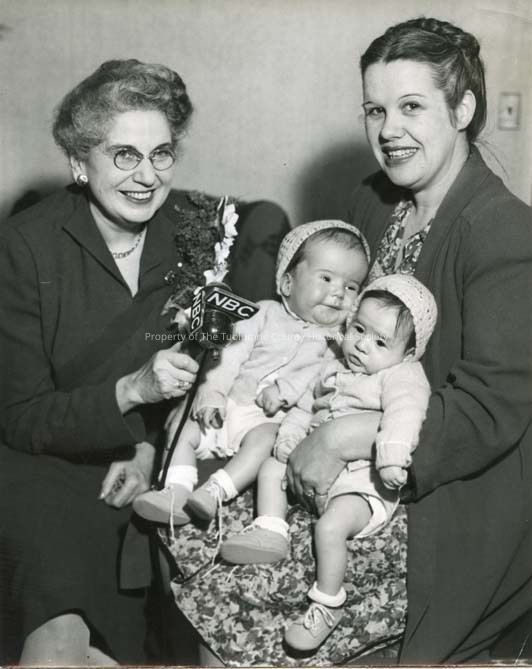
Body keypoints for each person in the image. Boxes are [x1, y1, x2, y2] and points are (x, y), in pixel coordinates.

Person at [285, 17, 532, 663]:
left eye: (412, 107)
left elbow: (487, 411)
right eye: (376, 110)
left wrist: (339, 437)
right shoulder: (372, 202)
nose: (389, 129)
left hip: (451, 492)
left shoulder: (505, 232)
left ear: (463, 109)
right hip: (349, 458)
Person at [0, 58, 220, 666]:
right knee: (59, 633)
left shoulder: (197, 235)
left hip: (147, 468)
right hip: (39, 471)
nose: (147, 176)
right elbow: (19, 416)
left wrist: (149, 448)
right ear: (80, 162)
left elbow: (215, 369)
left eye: (161, 153)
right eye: (124, 155)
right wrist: (130, 391)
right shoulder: (25, 246)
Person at [219, 274, 437, 651]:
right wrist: (289, 440)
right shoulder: (333, 361)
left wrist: (391, 460)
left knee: (330, 528)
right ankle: (271, 529)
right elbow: (304, 407)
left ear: (407, 354)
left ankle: (327, 604)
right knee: (271, 468)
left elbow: (405, 416)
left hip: (362, 480)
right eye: (359, 330)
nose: (362, 345)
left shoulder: (402, 376)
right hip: (315, 464)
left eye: (380, 342)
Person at [133, 220, 370, 525]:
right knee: (183, 422)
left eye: (351, 287)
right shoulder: (263, 313)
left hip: (267, 421)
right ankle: (175, 490)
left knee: (265, 444)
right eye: (326, 278)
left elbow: (321, 379)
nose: (338, 293)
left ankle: (214, 491)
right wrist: (213, 393)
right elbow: (230, 355)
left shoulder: (337, 343)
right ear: (287, 284)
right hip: (230, 402)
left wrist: (285, 390)